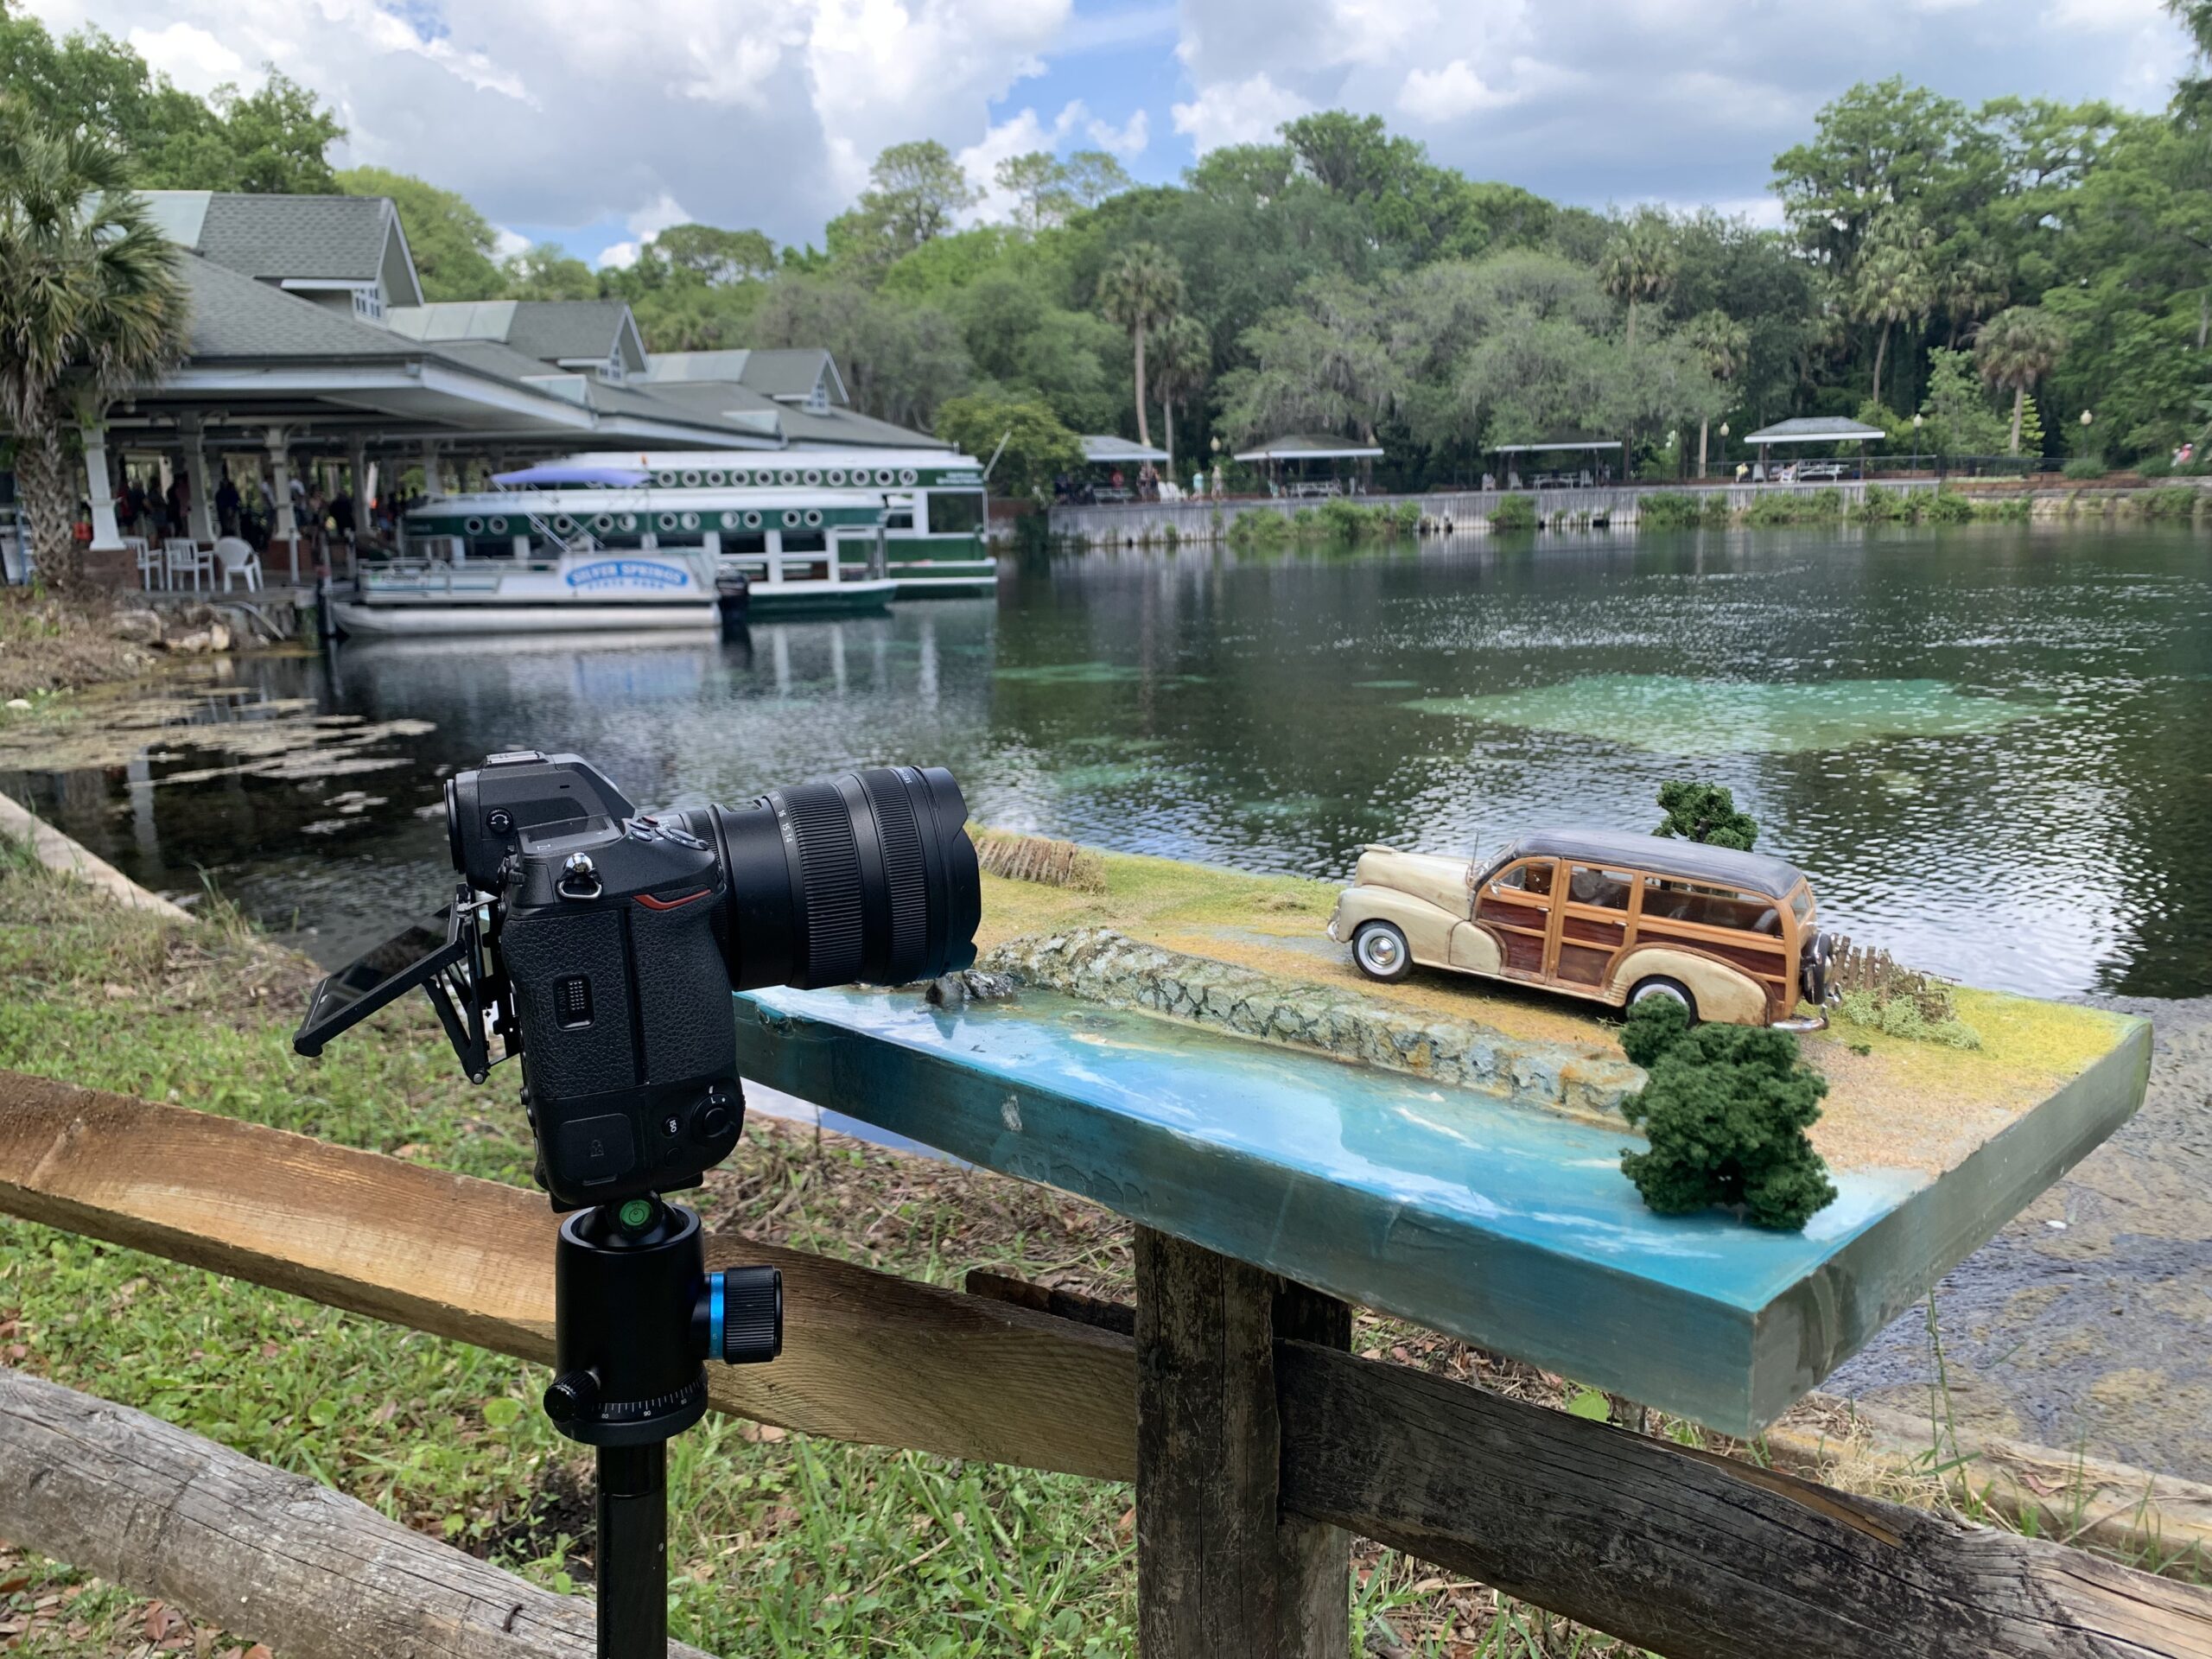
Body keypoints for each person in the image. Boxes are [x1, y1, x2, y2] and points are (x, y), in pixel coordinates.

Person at [215, 469, 240, 537]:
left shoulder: (230, 492)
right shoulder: (221, 493)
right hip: (225, 511)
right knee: (227, 527)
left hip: (230, 510)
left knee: (231, 526)